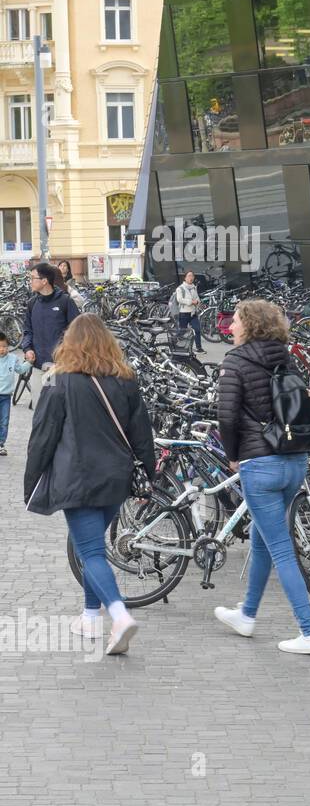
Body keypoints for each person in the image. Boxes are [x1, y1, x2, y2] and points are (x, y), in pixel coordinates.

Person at [23, 314, 155, 654]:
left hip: (77, 477)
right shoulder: (126, 379)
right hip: (116, 478)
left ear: (70, 343)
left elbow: (43, 436)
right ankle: (90, 616)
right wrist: (150, 474)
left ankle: (118, 614)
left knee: (91, 552)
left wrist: (32, 479)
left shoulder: (57, 380)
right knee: (92, 547)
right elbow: (142, 433)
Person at [213, 299, 310, 655]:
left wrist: (232, 457)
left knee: (281, 549)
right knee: (262, 539)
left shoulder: (235, 361)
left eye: (237, 322)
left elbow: (226, 417)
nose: (231, 327)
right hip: (294, 461)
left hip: (260, 463)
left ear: (251, 326)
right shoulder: (285, 356)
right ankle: (246, 614)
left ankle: (309, 632)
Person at [20, 262, 80, 399]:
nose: (30, 282)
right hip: (38, 365)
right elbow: (28, 331)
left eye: (32, 278)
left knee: (57, 410)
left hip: (60, 366)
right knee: (39, 409)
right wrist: (27, 348)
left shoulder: (65, 301)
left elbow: (77, 332)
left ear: (44, 281)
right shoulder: (32, 303)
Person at [0, 331, 31, 455]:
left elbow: (21, 370)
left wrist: (29, 362)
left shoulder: (13, 359)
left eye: (4, 346)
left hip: (6, 397)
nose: (2, 349)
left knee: (4, 420)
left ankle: (1, 444)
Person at [172, 270, 204, 352]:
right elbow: (179, 299)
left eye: (192, 276)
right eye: (189, 276)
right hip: (184, 313)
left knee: (197, 330)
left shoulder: (194, 287)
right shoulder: (180, 288)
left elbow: (197, 298)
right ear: (185, 278)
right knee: (182, 331)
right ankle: (173, 342)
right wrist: (191, 302)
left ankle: (199, 348)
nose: (191, 278)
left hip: (193, 313)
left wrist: (199, 303)